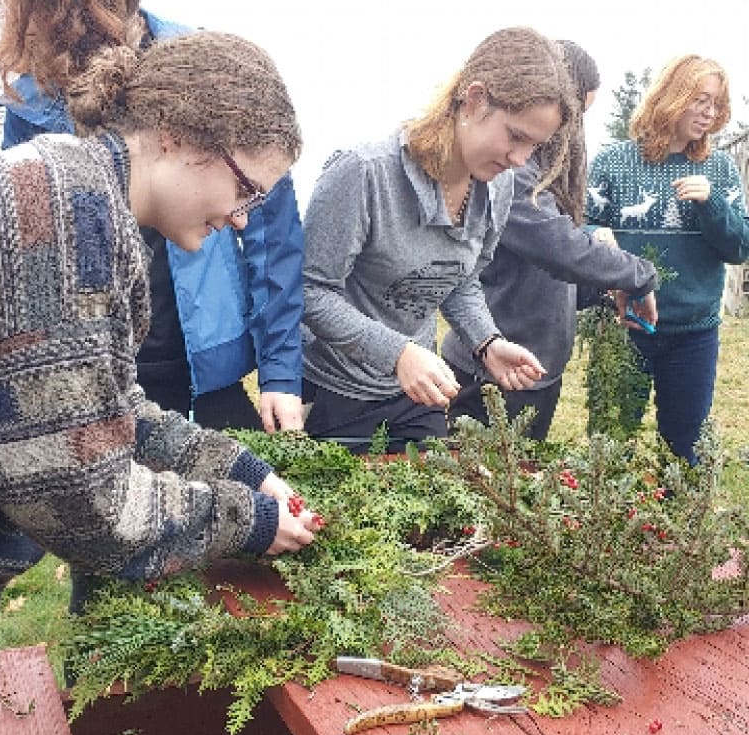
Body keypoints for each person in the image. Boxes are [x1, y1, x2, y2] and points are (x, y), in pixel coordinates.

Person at [0, 30, 325, 735]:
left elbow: (106, 405)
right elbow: (77, 498)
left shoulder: (78, 192)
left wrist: (244, 470)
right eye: (246, 188)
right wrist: (244, 521)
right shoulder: (64, 219)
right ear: (182, 138)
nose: (242, 219)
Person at [0, 0, 305, 436]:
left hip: (202, 353)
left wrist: (280, 372)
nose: (240, 216)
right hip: (99, 351)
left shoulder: (212, 67)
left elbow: (273, 235)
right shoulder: (31, 97)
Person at [300, 27, 581, 455]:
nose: (520, 160)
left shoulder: (497, 187)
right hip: (336, 392)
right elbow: (311, 292)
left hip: (418, 392)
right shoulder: (363, 174)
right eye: (516, 136)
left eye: (534, 147)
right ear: (474, 99)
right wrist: (397, 353)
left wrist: (486, 342)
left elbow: (462, 280)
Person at [440, 41, 659, 439]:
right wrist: (638, 275)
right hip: (488, 368)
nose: (573, 130)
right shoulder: (512, 174)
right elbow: (559, 249)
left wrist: (604, 290)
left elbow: (551, 276)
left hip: (536, 370)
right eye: (575, 114)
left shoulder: (541, 172)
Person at [585, 55, 749, 463]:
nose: (710, 113)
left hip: (694, 333)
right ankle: (608, 525)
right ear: (671, 97)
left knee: (684, 448)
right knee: (610, 444)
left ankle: (676, 525)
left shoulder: (720, 170)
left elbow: (740, 248)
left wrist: (712, 204)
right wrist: (593, 234)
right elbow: (577, 229)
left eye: (716, 104)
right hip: (625, 327)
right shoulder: (613, 164)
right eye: (700, 100)